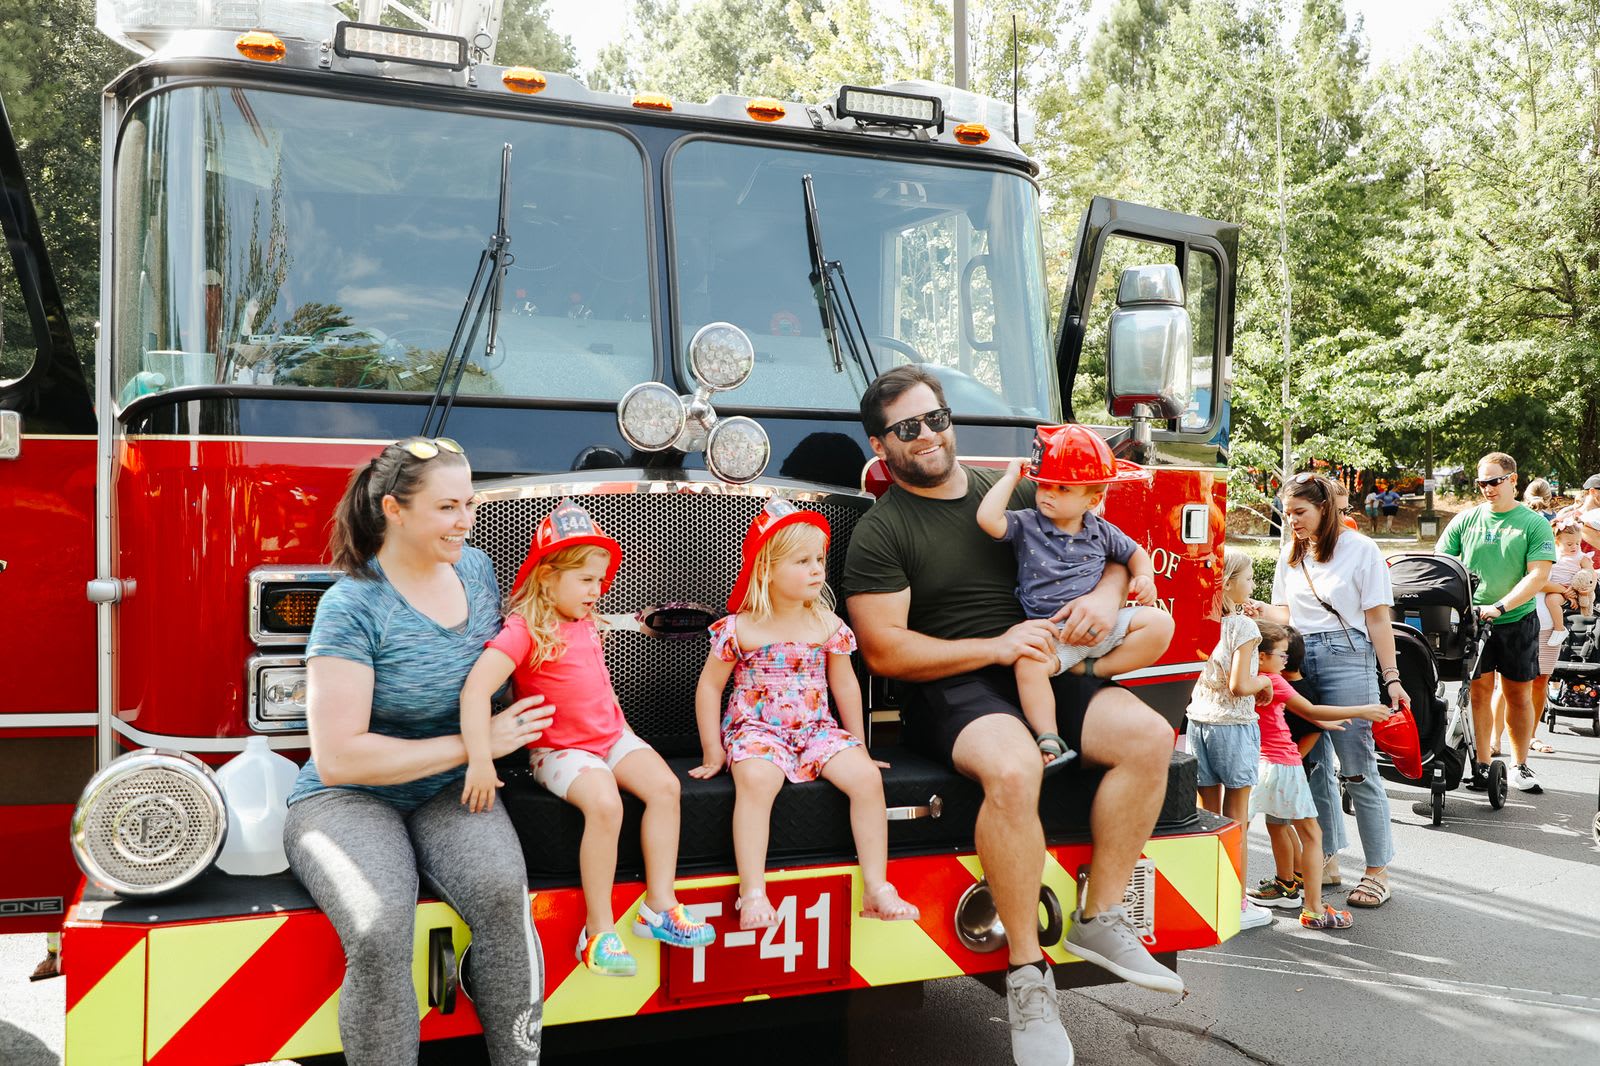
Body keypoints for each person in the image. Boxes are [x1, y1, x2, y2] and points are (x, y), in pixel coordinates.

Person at [842, 366, 1183, 1066]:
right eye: (908, 428)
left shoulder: (1034, 491)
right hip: (956, 687)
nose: (929, 435)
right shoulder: (883, 530)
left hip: (1049, 666)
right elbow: (883, 650)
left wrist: (1109, 598)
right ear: (883, 447)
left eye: (935, 418)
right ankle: (1028, 978)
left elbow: (1108, 545)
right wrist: (993, 644)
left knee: (1150, 737)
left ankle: (1100, 918)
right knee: (1015, 765)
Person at [284, 437, 550, 1065]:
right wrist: (478, 741)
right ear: (394, 511)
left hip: (451, 788)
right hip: (347, 799)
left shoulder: (478, 571)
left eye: (470, 504)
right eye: (447, 508)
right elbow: (340, 757)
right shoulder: (351, 605)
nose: (466, 521)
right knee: (379, 928)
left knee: (504, 900)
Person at [460, 498, 713, 978]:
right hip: (559, 750)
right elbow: (475, 689)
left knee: (665, 788)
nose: (598, 590)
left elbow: (600, 687)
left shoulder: (584, 623)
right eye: (586, 580)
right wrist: (479, 760)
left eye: (601, 580)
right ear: (547, 576)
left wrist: (628, 735)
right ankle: (597, 931)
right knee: (605, 804)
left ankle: (659, 907)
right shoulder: (523, 629)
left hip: (611, 737)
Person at [691, 501, 918, 928]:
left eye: (819, 559)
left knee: (867, 779)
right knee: (757, 781)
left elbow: (845, 685)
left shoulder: (828, 624)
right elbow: (709, 687)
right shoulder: (740, 628)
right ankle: (753, 892)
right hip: (756, 729)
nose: (817, 569)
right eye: (802, 561)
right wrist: (712, 751)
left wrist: (859, 746)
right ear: (767, 569)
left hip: (816, 730)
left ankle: (877, 887)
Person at [1251, 473, 1406, 910]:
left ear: (1326, 508)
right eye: (1287, 513)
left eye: (1300, 512)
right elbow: (1285, 611)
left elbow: (1378, 618)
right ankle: (1327, 858)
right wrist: (1258, 611)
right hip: (1296, 657)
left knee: (1356, 766)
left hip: (1347, 654)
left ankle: (1378, 869)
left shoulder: (1362, 550)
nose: (1292, 521)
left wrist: (1391, 677)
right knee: (1310, 765)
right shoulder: (1290, 554)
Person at [975, 430, 1174, 765]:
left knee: (1160, 624)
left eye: (1062, 488)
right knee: (1028, 665)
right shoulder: (1027, 524)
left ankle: (1092, 669)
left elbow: (1136, 553)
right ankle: (1048, 736)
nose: (1047, 494)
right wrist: (1011, 477)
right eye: (1043, 484)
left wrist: (1145, 577)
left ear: (1092, 500)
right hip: (1056, 636)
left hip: (1103, 626)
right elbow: (988, 519)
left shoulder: (1101, 530)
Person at [1246, 622, 1390, 921]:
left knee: (1258, 829)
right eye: (1281, 655)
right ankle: (1313, 908)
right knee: (1312, 835)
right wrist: (1360, 710)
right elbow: (1311, 711)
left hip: (1257, 765)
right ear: (1261, 655)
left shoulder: (1249, 681)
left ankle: (1270, 890)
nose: (1285, 661)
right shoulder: (1274, 681)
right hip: (1286, 765)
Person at [1439, 452, 1556, 795]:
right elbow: (1442, 562)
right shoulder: (1466, 520)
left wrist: (1501, 606)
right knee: (1478, 692)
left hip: (1516, 619)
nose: (1487, 489)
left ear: (1513, 480)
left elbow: (1538, 575)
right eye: (1481, 483)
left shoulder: (1533, 523)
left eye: (1494, 481)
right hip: (1473, 621)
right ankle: (1483, 764)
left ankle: (1520, 765)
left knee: (1518, 694)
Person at [1186, 548, 1273, 931]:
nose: (1253, 586)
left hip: (1198, 722)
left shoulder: (1203, 619)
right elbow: (1240, 685)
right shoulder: (1244, 629)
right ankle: (1235, 902)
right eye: (1250, 579)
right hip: (1234, 727)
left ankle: (1207, 892)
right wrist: (1266, 682)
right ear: (1230, 582)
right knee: (1237, 818)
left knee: (1207, 815)